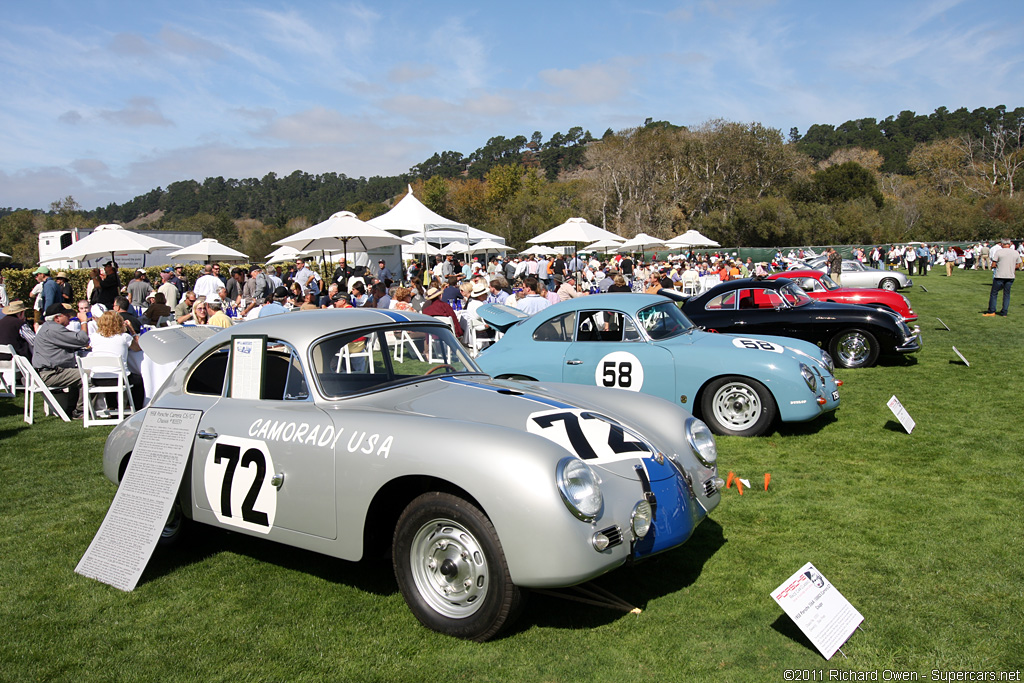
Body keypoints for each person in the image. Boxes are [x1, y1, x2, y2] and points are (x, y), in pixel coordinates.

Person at [32, 302, 90, 418]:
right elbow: (82, 339)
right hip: (51, 374)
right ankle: (80, 411)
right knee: (87, 375)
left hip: (49, 371)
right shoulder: (54, 329)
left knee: (77, 374)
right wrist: (84, 321)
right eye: (66, 315)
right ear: (57, 318)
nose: (69, 317)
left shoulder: (48, 328)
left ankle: (72, 408)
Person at [87, 310, 144, 411]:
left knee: (109, 373)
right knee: (138, 380)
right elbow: (138, 348)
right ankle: (135, 407)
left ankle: (111, 406)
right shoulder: (124, 337)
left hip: (97, 378)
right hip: (119, 378)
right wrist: (132, 331)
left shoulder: (94, 337)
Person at [983, 239, 1022, 317]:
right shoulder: (1015, 252)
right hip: (1010, 276)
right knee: (1007, 294)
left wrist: (999, 265)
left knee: (994, 293)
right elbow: (1018, 265)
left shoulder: (999, 252)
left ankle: (991, 311)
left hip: (1000, 275)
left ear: (1002, 244)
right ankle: (1004, 312)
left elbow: (993, 264)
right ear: (1010, 244)